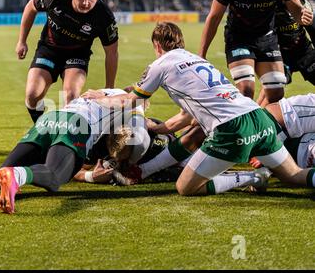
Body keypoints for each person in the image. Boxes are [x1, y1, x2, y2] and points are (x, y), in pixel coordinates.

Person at [83, 22, 315, 196]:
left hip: (233, 129)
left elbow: (130, 101)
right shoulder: (198, 60)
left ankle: (252, 177)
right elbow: (187, 116)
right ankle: (145, 171)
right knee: (294, 175)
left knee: (185, 187)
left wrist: (99, 97)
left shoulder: (160, 64)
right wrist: (162, 127)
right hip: (259, 117)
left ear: (156, 45)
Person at [0, 89, 150, 214]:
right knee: (55, 177)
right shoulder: (130, 101)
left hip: (49, 120)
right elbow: (135, 134)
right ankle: (17, 176)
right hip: (76, 124)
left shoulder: (100, 91)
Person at [16, 0, 119, 123]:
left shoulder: (104, 16)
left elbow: (112, 53)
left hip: (77, 55)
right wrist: (21, 41)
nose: (85, 3)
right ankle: (41, 127)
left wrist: (109, 89)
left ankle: (64, 137)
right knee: (32, 95)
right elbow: (31, 7)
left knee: (71, 97)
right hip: (48, 50)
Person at [199, 0, 313, 106]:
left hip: (267, 38)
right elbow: (214, 17)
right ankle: (234, 123)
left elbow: (296, 10)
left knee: (276, 94)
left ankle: (261, 125)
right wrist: (202, 53)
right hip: (239, 38)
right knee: (246, 89)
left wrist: (302, 16)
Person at [275, 0, 315, 85]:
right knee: (274, 89)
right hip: (280, 55)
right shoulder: (268, 5)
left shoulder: (301, 3)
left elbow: (312, 29)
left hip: (304, 51)